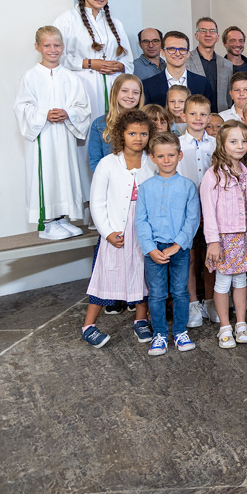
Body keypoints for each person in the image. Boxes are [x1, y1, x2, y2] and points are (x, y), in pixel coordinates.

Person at [80, 109, 156, 349]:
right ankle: (88, 326)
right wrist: (107, 232)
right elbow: (97, 202)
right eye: (132, 133)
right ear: (121, 134)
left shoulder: (152, 162)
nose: (138, 138)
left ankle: (141, 320)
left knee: (143, 274)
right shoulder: (108, 163)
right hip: (116, 232)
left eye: (143, 134)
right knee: (106, 275)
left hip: (143, 231)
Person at [15, 26, 92, 240]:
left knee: (64, 173)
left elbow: (83, 107)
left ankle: (60, 218)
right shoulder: (31, 77)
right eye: (47, 45)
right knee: (46, 173)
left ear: (63, 47)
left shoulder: (70, 77)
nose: (52, 49)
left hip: (64, 136)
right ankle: (46, 223)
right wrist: (44, 114)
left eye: (57, 45)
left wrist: (68, 113)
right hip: (43, 137)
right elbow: (21, 107)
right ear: (37, 47)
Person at [135, 132, 201, 356]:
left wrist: (177, 245)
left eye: (171, 155)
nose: (166, 160)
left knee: (180, 291)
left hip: (179, 249)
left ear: (179, 156)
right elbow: (141, 221)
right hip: (153, 249)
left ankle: (180, 331)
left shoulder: (188, 186)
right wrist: (150, 248)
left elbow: (192, 219)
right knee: (157, 293)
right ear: (153, 158)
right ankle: (160, 334)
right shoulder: (145, 187)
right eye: (161, 156)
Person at [200, 120, 247, 349]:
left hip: (244, 237)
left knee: (241, 280)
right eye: (233, 141)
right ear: (222, 144)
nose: (240, 146)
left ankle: (241, 323)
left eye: (244, 141)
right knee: (223, 281)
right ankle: (225, 326)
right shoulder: (213, 175)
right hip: (223, 239)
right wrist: (213, 242)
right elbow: (208, 211)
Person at [55, 0, 133, 121]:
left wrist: (119, 66)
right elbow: (56, 57)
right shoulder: (67, 19)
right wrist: (89, 63)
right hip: (82, 85)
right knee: (87, 125)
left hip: (113, 86)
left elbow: (128, 59)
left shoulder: (115, 23)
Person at [177, 95, 216, 327]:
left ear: (209, 118)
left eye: (203, 114)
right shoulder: (177, 145)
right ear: (184, 116)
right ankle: (193, 304)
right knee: (189, 257)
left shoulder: (216, 144)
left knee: (210, 256)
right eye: (193, 113)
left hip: (212, 209)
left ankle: (210, 301)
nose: (198, 118)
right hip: (186, 209)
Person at [88, 74, 144, 172]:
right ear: (115, 92)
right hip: (111, 178)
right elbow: (95, 161)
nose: (130, 96)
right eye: (124, 91)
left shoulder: (147, 123)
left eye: (135, 92)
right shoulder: (99, 124)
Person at [142, 31, 215, 107]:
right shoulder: (148, 85)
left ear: (188, 53)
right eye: (171, 49)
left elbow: (211, 112)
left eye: (182, 49)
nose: (177, 53)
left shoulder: (203, 83)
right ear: (162, 52)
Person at [186, 17, 234, 112]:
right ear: (196, 36)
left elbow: (229, 98)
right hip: (195, 115)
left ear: (217, 37)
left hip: (221, 116)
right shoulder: (186, 61)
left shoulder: (227, 65)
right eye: (203, 30)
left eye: (212, 31)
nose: (208, 34)